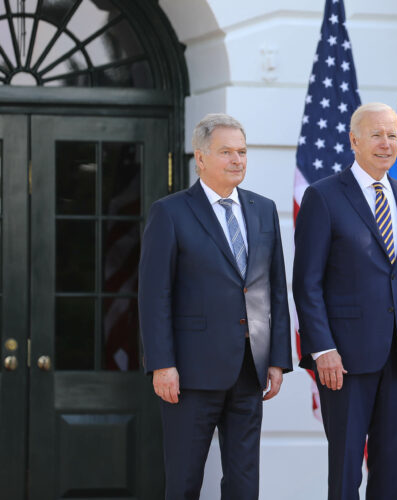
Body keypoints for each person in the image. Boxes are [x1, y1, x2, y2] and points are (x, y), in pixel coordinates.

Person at [138, 113, 292, 499]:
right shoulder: (170, 212)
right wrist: (161, 363)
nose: (237, 160)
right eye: (226, 152)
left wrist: (277, 358)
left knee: (244, 484)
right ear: (201, 157)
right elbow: (154, 294)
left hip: (248, 369)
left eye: (242, 151)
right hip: (189, 374)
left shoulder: (263, 209)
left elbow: (275, 289)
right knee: (185, 482)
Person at [293, 102, 397, 500]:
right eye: (376, 134)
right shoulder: (323, 197)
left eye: (392, 135)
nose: (385, 143)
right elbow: (307, 283)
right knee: (346, 470)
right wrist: (323, 349)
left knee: (391, 468)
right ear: (354, 140)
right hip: (344, 359)